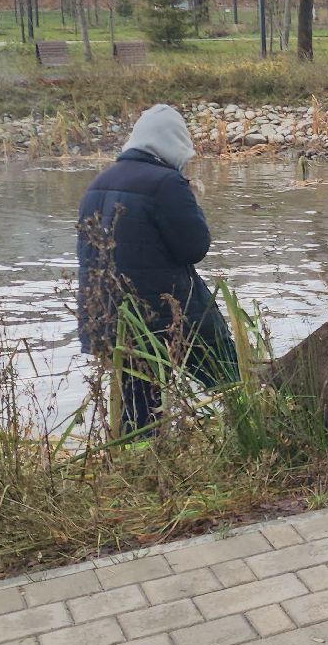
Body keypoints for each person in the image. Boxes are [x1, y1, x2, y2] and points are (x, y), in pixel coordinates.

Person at [76, 104, 238, 432]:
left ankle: (138, 464)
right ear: (174, 144)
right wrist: (192, 201)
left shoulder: (97, 183)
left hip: (108, 317)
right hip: (165, 317)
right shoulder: (167, 184)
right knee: (229, 376)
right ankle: (254, 427)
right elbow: (194, 248)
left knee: (137, 408)